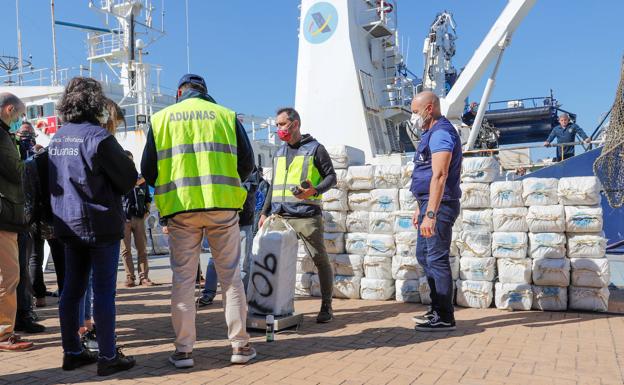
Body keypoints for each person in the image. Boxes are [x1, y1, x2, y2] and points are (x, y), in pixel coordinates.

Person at [141, 73, 256, 368]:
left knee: (183, 279)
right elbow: (247, 164)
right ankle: (240, 346)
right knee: (230, 278)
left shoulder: (162, 119)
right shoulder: (226, 116)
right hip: (223, 207)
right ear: (205, 91)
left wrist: (171, 190)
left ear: (180, 91)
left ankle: (184, 351)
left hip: (181, 210)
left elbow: (148, 170)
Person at [49, 78, 137, 375]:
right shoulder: (99, 137)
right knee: (102, 292)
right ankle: (108, 356)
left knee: (71, 291)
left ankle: (71, 351)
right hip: (100, 224)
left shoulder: (57, 139)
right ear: (95, 105)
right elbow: (127, 179)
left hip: (69, 223)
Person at [259, 107, 337, 323]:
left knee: (319, 259)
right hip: (280, 216)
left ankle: (326, 307)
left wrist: (315, 191)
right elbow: (274, 185)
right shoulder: (279, 153)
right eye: (277, 125)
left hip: (306, 215)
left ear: (295, 124)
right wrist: (264, 212)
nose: (278, 129)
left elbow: (332, 177)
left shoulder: (315, 149)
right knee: (273, 260)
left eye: (281, 124)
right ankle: (275, 305)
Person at [409, 91, 462, 332]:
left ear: (429, 109)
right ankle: (436, 308)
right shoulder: (430, 133)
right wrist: (420, 209)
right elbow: (425, 174)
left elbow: (440, 175)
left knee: (437, 258)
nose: (413, 117)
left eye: (414, 112)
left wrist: (430, 213)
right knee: (424, 256)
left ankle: (444, 315)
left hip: (439, 207)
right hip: (427, 206)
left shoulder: (441, 133)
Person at [0, 92, 34, 351]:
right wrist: (34, 161)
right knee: (8, 277)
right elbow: (16, 170)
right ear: (9, 109)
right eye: (19, 115)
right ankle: (3, 333)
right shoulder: (1, 136)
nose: (19, 121)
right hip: (4, 216)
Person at [197, 166, 260, 306]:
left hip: (243, 220)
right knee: (214, 260)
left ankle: (240, 296)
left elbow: (251, 186)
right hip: (221, 220)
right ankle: (208, 294)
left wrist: (229, 189)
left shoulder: (248, 165)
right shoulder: (217, 160)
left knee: (244, 261)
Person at [121, 150, 155, 287]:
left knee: (142, 249)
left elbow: (147, 197)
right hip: (124, 219)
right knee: (125, 250)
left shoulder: (142, 180)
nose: (129, 163)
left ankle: (144, 277)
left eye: (131, 160)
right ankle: (130, 277)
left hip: (139, 218)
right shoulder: (118, 178)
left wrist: (146, 211)